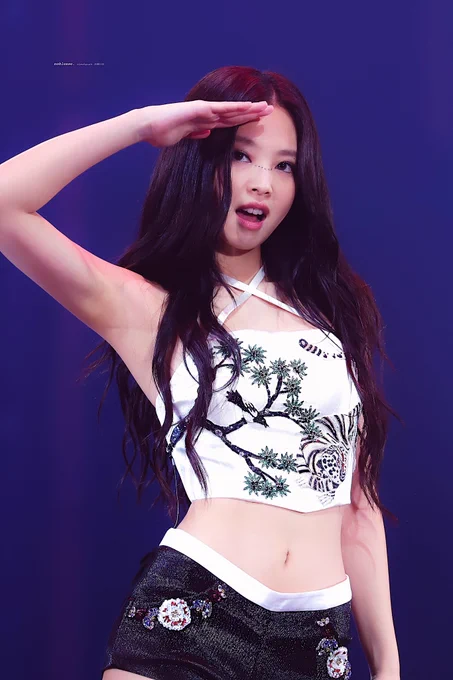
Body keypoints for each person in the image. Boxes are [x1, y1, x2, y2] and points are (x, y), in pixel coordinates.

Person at [0, 65, 400, 680]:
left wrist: (389, 665)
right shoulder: (151, 309)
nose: (262, 182)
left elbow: (360, 508)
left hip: (318, 642)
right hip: (193, 619)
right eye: (242, 156)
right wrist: (141, 126)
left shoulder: (333, 318)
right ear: (202, 160)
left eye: (284, 165)